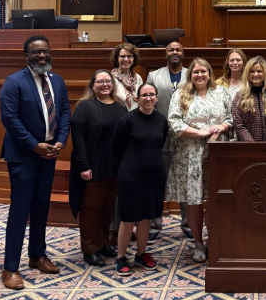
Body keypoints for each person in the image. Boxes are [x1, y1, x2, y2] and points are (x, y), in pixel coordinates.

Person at [0, 35, 71, 290]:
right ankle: (10, 268)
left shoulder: (57, 81)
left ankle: (37, 255)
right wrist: (34, 145)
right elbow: (9, 118)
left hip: (49, 154)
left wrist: (60, 141)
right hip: (24, 156)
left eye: (45, 52)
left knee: (42, 206)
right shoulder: (14, 82)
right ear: (26, 55)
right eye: (36, 52)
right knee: (20, 209)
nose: (42, 56)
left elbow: (64, 112)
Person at [167, 58, 232, 263]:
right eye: (196, 72)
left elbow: (231, 119)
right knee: (194, 201)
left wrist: (221, 127)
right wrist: (200, 132)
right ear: (190, 75)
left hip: (217, 154)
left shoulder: (221, 92)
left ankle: (213, 239)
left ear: (210, 73)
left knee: (214, 199)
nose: (200, 75)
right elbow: (174, 122)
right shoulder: (181, 94)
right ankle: (198, 243)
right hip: (190, 156)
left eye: (203, 71)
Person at [69, 70, 127, 266]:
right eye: (100, 82)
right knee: (90, 209)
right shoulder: (85, 107)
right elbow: (78, 139)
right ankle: (90, 248)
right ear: (92, 85)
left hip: (114, 166)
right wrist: (84, 165)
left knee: (107, 208)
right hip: (92, 166)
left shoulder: (120, 106)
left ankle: (103, 243)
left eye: (107, 81)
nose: (104, 85)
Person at [112, 83, 169, 275]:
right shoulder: (127, 120)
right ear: (137, 98)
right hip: (131, 175)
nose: (148, 98)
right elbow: (117, 148)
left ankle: (141, 253)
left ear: (157, 98)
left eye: (152, 95)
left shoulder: (161, 120)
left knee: (146, 217)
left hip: (154, 175)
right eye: (144, 95)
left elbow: (159, 144)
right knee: (128, 218)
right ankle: (121, 257)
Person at [146, 41, 192, 242]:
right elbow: (149, 104)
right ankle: (155, 224)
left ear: (183, 53)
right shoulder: (154, 75)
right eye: (171, 49)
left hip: (186, 137)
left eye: (178, 50)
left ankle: (188, 224)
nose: (174, 52)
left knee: (186, 180)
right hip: (160, 136)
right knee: (157, 181)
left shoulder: (192, 73)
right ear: (165, 53)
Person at [232, 56, 266, 142]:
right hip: (247, 147)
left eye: (259, 71)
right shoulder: (240, 96)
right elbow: (238, 124)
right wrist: (252, 144)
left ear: (265, 73)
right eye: (252, 71)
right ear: (247, 74)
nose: (255, 74)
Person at [110, 43, 144, 111]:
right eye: (122, 56)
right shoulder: (111, 78)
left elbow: (141, 99)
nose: (126, 59)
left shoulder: (138, 78)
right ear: (117, 58)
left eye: (129, 56)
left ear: (133, 58)